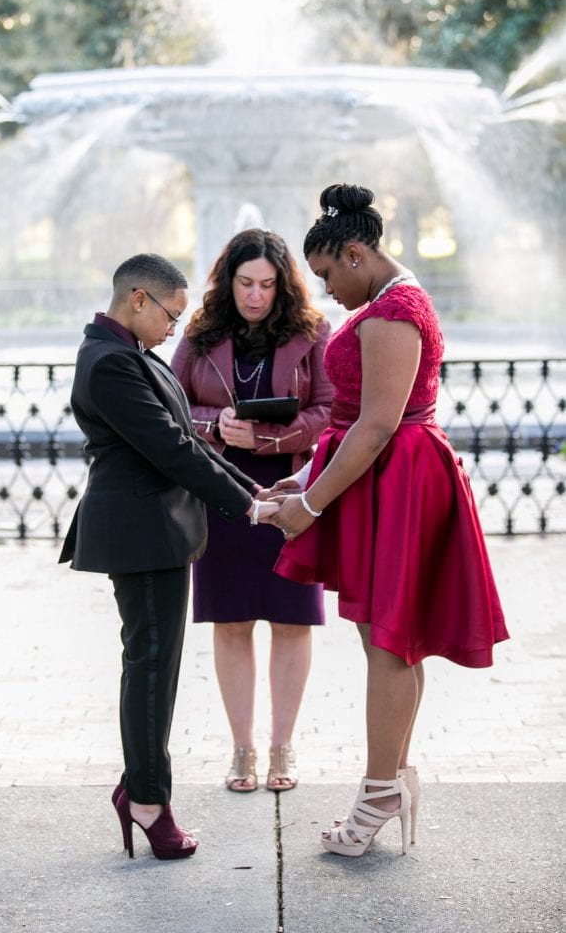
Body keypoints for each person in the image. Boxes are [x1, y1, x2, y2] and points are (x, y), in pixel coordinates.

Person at [264, 184, 509, 856]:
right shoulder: (389, 303)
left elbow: (374, 426)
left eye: (325, 276)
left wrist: (309, 508)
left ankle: (379, 791)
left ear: (353, 252)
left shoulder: (390, 313)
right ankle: (391, 781)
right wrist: (308, 477)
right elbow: (357, 424)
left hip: (396, 478)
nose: (324, 292)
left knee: (389, 641)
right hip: (385, 477)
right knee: (389, 637)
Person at [58, 253, 278, 861]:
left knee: (154, 666)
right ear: (137, 298)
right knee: (151, 668)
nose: (175, 330)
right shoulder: (109, 363)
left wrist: (255, 491)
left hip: (156, 531)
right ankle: (148, 800)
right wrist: (251, 509)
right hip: (140, 532)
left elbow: (185, 442)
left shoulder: (129, 356)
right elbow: (170, 450)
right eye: (171, 316)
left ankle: (143, 787)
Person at [171, 229, 333, 793]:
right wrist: (216, 425)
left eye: (267, 284)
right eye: (245, 283)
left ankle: (282, 747)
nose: (256, 296)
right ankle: (242, 750)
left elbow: (331, 410)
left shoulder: (313, 333)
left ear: (283, 284)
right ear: (228, 281)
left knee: (293, 620)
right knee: (231, 620)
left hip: (292, 490)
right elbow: (169, 405)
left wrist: (269, 438)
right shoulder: (198, 334)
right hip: (218, 488)